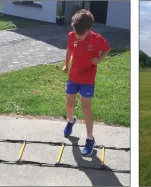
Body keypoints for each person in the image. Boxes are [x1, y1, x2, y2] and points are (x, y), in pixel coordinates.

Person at [62, 9, 111, 157]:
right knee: (69, 104)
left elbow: (107, 49)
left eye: (80, 34)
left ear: (89, 30)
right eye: (75, 33)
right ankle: (71, 121)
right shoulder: (72, 35)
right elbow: (69, 50)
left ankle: (90, 139)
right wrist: (66, 64)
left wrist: (99, 59)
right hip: (73, 77)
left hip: (88, 79)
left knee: (86, 108)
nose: (77, 36)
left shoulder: (97, 39)